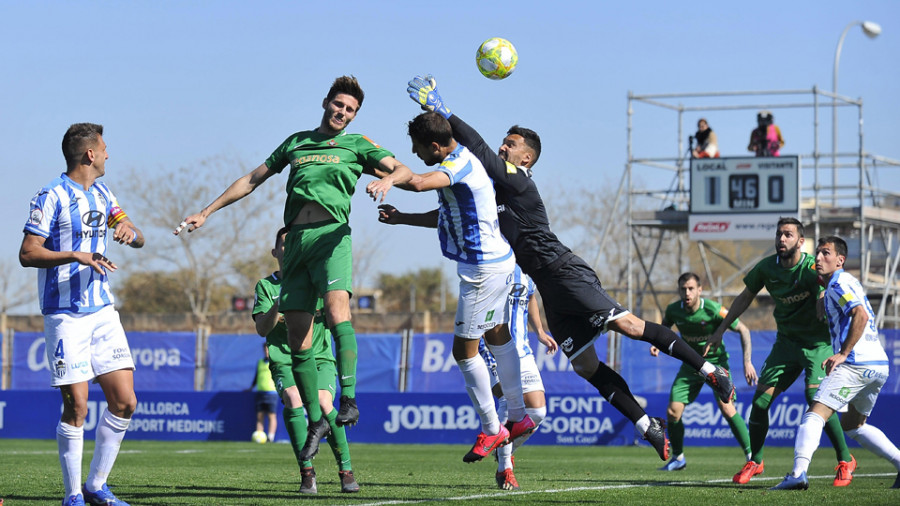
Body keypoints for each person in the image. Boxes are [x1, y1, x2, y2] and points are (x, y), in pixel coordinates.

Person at [406, 76, 737, 462]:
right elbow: (453, 218)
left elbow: (478, 150)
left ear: (525, 158)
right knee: (585, 365)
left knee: (628, 326)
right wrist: (401, 219)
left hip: (565, 272)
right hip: (550, 289)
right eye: (504, 142)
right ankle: (648, 425)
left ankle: (711, 371)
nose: (502, 147)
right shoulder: (493, 193)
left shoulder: (519, 184)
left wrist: (446, 112)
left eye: (510, 145)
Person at [176, 76, 414, 461]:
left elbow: (403, 169)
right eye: (339, 105)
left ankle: (349, 398)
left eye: (350, 109)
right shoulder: (297, 142)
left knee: (338, 310)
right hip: (297, 243)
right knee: (299, 336)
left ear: (355, 115)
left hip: (332, 236)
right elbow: (253, 179)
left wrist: (387, 179)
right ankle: (319, 418)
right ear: (326, 103)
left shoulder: (357, 144)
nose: (343, 112)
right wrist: (207, 211)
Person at [377, 111, 536, 468]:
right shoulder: (461, 157)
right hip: (499, 262)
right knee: (497, 336)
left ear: (435, 146)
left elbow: (418, 183)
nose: (416, 155)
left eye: (419, 149)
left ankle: (493, 428)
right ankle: (518, 415)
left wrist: (385, 175)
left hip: (481, 269)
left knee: (464, 352)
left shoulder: (459, 162)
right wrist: (401, 214)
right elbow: (444, 212)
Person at [19, 123, 145, 506]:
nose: (108, 154)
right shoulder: (51, 195)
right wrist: (75, 254)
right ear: (89, 154)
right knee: (76, 404)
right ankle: (72, 494)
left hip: (103, 311)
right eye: (104, 148)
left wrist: (127, 230)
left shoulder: (104, 193)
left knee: (125, 402)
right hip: (65, 315)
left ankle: (96, 486)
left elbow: (137, 236)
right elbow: (28, 253)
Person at [706, 217, 857, 486]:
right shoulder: (766, 268)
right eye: (779, 234)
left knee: (816, 397)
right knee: (759, 404)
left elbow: (827, 284)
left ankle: (845, 459)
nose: (781, 239)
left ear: (800, 241)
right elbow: (743, 298)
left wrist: (822, 298)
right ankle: (756, 460)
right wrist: (720, 330)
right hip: (786, 344)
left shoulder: (813, 266)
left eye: (788, 235)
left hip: (817, 345)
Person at [771, 236, 900, 490]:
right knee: (854, 425)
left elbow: (859, 314)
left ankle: (798, 473)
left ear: (840, 260)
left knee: (814, 415)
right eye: (817, 253)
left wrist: (843, 352)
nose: (819, 258)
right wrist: (821, 293)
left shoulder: (839, 282)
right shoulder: (845, 282)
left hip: (855, 363)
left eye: (826, 253)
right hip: (877, 365)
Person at [252, 227, 359, 494]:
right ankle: (307, 473)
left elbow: (341, 315)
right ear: (275, 251)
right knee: (293, 399)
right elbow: (262, 329)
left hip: (320, 358)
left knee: (324, 402)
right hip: (285, 361)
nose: (290, 248)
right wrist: (282, 301)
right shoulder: (266, 286)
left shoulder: (319, 281)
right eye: (284, 244)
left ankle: (346, 470)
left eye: (295, 243)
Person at [650, 272, 756, 471]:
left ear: (699, 290)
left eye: (691, 288)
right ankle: (678, 458)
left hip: (716, 365)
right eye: (683, 289)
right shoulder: (674, 310)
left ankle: (752, 456)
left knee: (727, 408)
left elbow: (743, 329)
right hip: (690, 365)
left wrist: (747, 362)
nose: (687, 293)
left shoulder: (713, 309)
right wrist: (656, 343)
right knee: (673, 411)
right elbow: (664, 328)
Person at [477, 265, 558, 490]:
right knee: (507, 400)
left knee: (538, 411)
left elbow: (530, 296)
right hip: (493, 347)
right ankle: (505, 469)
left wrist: (540, 331)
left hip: (522, 350)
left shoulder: (526, 266)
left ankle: (505, 448)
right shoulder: (493, 262)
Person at [250, 343, 279, 443]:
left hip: (271, 393)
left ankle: (270, 437)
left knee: (271, 415)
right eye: (265, 350)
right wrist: (250, 387)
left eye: (268, 350)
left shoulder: (276, 362)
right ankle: (259, 435)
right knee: (260, 415)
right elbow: (256, 377)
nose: (266, 351)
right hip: (260, 392)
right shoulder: (260, 362)